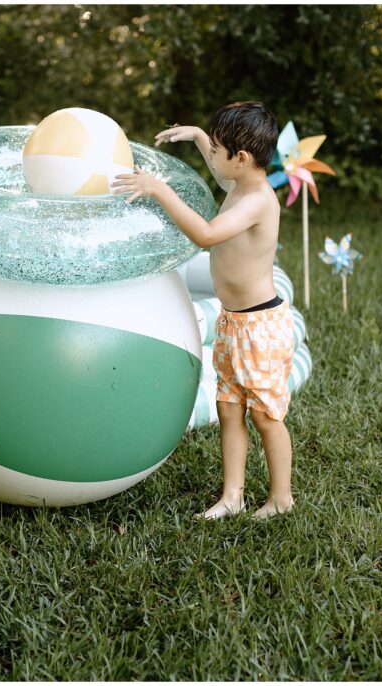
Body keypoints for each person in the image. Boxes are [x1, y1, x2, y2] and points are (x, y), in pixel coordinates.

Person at [112, 101, 295, 520]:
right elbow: (221, 173)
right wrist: (196, 135)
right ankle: (233, 497)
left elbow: (207, 235)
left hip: (259, 326)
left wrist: (160, 190)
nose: (213, 159)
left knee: (266, 417)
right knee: (230, 409)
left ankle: (281, 499)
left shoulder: (257, 200)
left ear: (242, 158)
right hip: (234, 321)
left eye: (216, 149)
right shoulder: (240, 184)